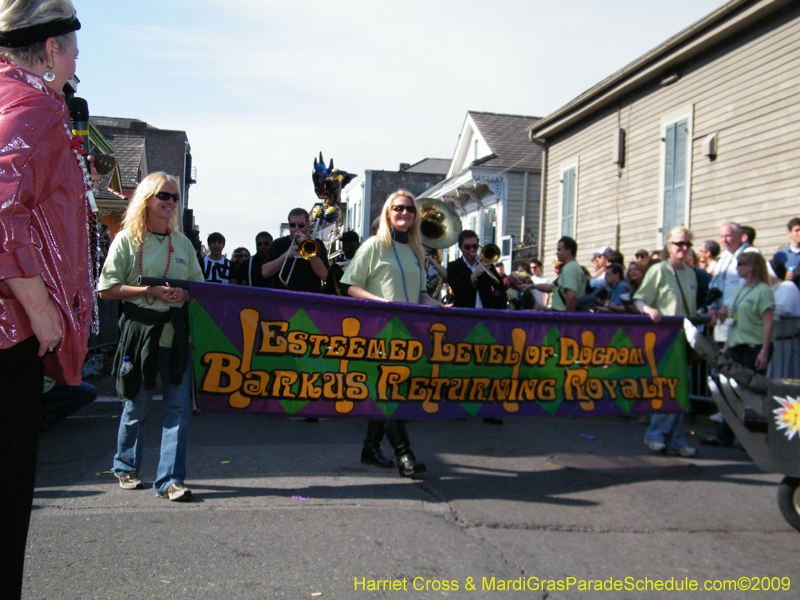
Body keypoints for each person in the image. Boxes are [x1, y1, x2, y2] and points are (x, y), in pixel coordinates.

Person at [0, 2, 91, 596]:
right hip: (8, 334)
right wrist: (40, 310)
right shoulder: (31, 108)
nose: (79, 59)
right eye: (75, 48)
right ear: (52, 48)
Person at [98, 172, 204, 502]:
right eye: (164, 196)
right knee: (136, 407)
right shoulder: (127, 239)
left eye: (174, 197)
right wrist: (149, 290)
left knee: (177, 410)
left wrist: (181, 296)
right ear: (147, 199)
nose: (171, 202)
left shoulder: (183, 243)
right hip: (139, 335)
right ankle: (126, 466)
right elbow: (106, 289)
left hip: (176, 334)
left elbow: (197, 289)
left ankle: (170, 480)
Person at [341, 190, 446, 477]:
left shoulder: (417, 251)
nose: (404, 213)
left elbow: (422, 294)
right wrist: (379, 302)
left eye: (410, 209)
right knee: (388, 391)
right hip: (378, 333)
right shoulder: (374, 245)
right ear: (389, 212)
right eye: (398, 208)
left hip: (409, 334)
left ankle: (370, 448)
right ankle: (404, 455)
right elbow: (350, 285)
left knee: (389, 391)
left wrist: (440, 306)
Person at [633, 225, 698, 457]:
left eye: (687, 244)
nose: (683, 248)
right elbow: (639, 298)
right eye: (678, 244)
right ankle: (655, 435)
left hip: (684, 337)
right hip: (664, 338)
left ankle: (674, 439)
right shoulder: (659, 270)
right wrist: (648, 309)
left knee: (682, 390)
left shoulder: (691, 273)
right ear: (668, 246)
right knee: (667, 388)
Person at [703, 252, 774, 448]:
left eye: (740, 264)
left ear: (751, 267)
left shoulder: (764, 291)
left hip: (754, 347)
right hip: (736, 345)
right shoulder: (738, 291)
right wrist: (726, 346)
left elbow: (768, 324)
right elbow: (734, 322)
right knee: (732, 392)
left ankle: (754, 439)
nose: (737, 268)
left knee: (752, 394)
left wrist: (764, 351)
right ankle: (724, 436)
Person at [709, 222, 760, 341]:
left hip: (740, 314)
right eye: (721, 236)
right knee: (722, 351)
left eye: (728, 236)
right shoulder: (724, 256)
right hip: (722, 316)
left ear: (739, 235)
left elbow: (746, 283)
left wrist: (728, 304)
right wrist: (712, 306)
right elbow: (714, 283)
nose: (724, 240)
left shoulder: (750, 253)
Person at [262, 208, 329, 292]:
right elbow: (265, 272)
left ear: (307, 225)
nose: (296, 228)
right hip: (283, 298)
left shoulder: (316, 244)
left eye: (301, 225)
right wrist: (285, 255)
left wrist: (308, 248)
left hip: (309, 299)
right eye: (292, 225)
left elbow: (324, 275)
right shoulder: (278, 244)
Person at [447, 229, 507, 310]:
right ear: (460, 247)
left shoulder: (484, 264)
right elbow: (457, 291)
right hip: (464, 314)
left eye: (475, 246)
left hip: (485, 313)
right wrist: (474, 275)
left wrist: (488, 264)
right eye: (467, 247)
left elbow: (500, 286)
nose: (472, 250)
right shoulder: (454, 266)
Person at [767, 258, 800, 379]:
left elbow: (778, 312)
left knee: (785, 377)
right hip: (775, 343)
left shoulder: (787, 287)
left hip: (786, 343)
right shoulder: (771, 289)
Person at [534, 237, 586, 312]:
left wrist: (567, 318)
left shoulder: (569, 268)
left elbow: (572, 296)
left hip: (564, 317)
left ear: (569, 251)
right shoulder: (577, 267)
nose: (557, 253)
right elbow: (554, 288)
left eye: (559, 250)